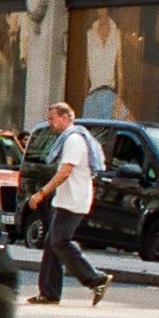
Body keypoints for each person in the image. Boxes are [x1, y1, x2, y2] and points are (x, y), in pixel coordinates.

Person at [25, 102, 111, 306]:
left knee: (59, 242)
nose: (50, 124)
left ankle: (96, 279)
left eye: (52, 119)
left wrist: (42, 193)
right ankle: (49, 293)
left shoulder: (73, 140)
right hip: (67, 199)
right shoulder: (72, 138)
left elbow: (65, 171)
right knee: (51, 243)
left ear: (65, 117)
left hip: (73, 200)